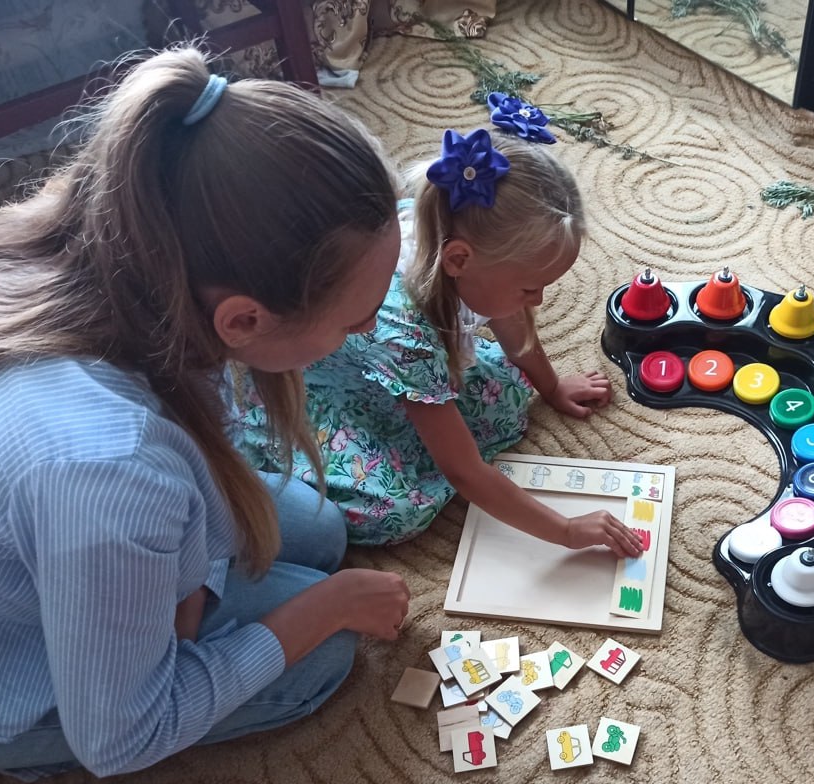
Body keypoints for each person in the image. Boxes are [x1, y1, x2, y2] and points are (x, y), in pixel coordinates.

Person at [0, 48, 411, 781]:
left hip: (16, 525)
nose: (370, 328)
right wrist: (327, 610)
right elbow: (121, 735)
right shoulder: (111, 469)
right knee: (324, 652)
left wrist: (187, 584)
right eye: (355, 320)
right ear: (243, 320)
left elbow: (166, 475)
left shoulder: (139, 266)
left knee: (316, 528)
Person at [233, 105, 644, 557]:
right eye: (529, 288)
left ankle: (422, 417)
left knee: (508, 395)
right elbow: (463, 472)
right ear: (459, 260)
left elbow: (512, 323)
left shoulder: (453, 232)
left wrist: (551, 386)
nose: (539, 301)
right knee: (397, 508)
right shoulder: (405, 331)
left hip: (403, 365)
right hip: (315, 392)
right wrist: (565, 530)